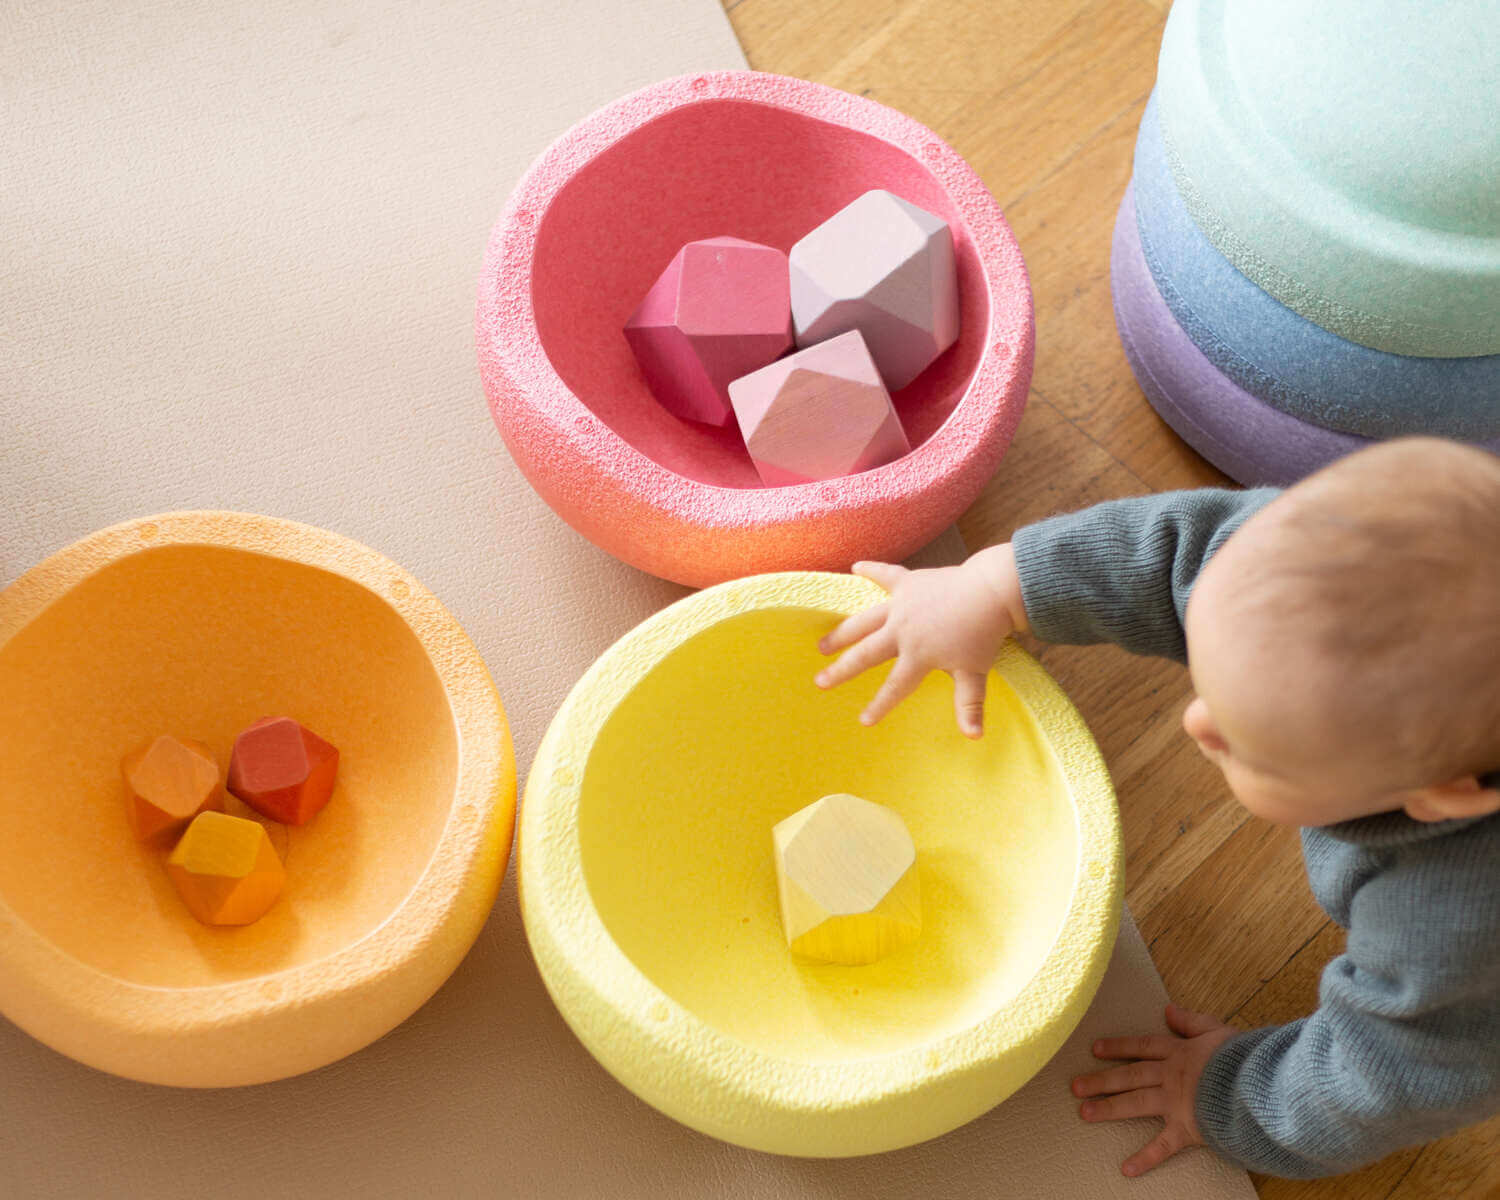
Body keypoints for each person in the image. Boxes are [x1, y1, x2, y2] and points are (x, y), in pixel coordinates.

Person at [814, 437, 1500, 1179]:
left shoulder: (1457, 928)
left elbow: (1383, 1082)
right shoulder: (1318, 578)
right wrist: (998, 586)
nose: (1194, 725)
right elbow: (1184, 551)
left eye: (1254, 748)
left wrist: (1225, 1095)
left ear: (1444, 795)